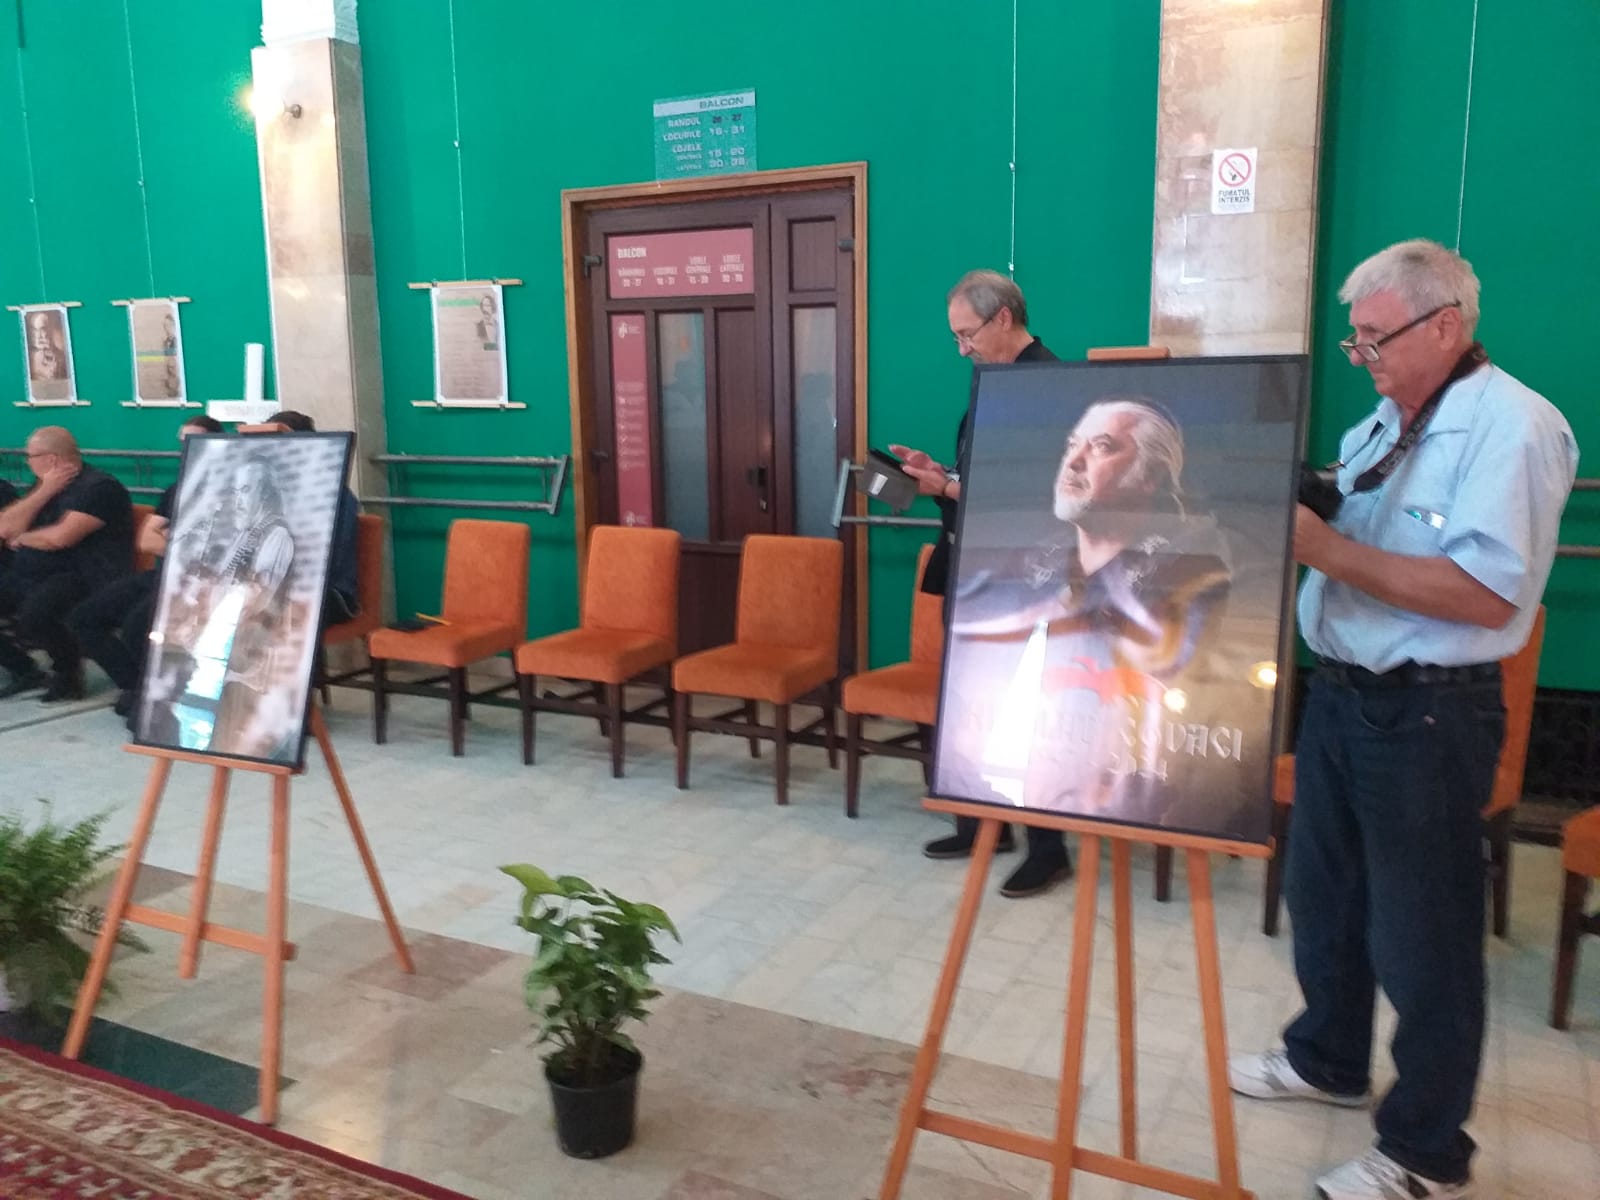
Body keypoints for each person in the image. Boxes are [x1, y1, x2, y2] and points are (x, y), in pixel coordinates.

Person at [1228, 239, 1578, 1200]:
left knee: (1424, 936)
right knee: (1325, 900)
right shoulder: (1381, 423)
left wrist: (1324, 550)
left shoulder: (1514, 427)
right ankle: (1328, 1058)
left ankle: (1426, 1148)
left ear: (1447, 325)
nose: (1363, 354)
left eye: (1376, 336)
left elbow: (1485, 595)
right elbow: (1356, 520)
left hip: (1430, 712)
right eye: (1356, 338)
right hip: (1341, 694)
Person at [940, 399, 1232, 827]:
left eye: (1102, 446)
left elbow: (1168, 685)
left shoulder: (1190, 573)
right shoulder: (1033, 562)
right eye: (1072, 445)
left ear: (1150, 477)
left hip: (1119, 777)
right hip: (1024, 762)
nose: (1074, 462)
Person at [889, 269, 1074, 898]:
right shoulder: (992, 379)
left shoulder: (1049, 385)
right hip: (977, 572)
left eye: (967, 334)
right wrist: (940, 474)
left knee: (1027, 717)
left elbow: (1039, 495)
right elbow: (983, 474)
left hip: (1024, 578)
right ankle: (977, 825)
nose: (962, 348)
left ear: (1003, 318)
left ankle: (1047, 847)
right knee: (971, 709)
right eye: (956, 338)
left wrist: (948, 487)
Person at [66, 414, 222, 719]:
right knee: (83, 618)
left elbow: (217, 555)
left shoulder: (229, 489)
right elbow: (147, 540)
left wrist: (176, 540)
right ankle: (136, 685)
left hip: (202, 582)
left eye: (194, 441)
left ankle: (158, 694)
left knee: (138, 626)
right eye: (182, 442)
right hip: (164, 574)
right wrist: (186, 546)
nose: (185, 449)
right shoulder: (177, 489)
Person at [0, 427, 133, 701]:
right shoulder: (45, 485)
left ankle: (68, 674)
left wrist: (24, 538)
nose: (27, 462)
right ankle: (24, 669)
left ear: (50, 458)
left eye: (30, 456)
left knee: (36, 613)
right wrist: (44, 491)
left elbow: (61, 538)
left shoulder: (100, 488)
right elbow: (4, 528)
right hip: (38, 570)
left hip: (85, 572)